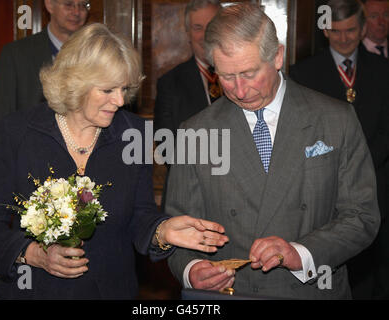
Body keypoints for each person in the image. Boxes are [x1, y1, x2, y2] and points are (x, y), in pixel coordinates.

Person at [0, 23, 229, 299]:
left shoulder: (134, 134)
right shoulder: (21, 132)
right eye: (107, 90)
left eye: (124, 88)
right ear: (75, 84)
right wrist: (33, 254)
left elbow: (140, 216)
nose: (119, 100)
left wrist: (162, 231)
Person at [166, 2, 380, 299]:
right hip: (233, 293)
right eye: (226, 77)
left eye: (249, 73)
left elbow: (362, 217)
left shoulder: (335, 120)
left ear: (277, 56)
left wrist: (301, 253)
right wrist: (191, 270)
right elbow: (178, 230)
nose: (240, 91)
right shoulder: (196, 132)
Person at [290, 0, 389, 299]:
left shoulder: (384, 71)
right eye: (336, 31)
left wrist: (362, 164)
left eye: (350, 31)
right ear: (325, 32)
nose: (343, 38)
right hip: (325, 191)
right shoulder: (302, 74)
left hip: (378, 186)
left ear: (362, 30)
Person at [0, 0, 90, 133]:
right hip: (30, 149)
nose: (77, 12)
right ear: (50, 5)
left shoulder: (96, 55)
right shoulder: (16, 54)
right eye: (69, 5)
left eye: (83, 6)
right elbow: (4, 119)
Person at [154, 0, 222, 137]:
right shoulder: (169, 84)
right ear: (188, 34)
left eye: (211, 26)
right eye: (198, 28)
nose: (205, 35)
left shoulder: (243, 76)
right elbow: (167, 147)